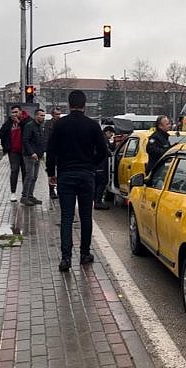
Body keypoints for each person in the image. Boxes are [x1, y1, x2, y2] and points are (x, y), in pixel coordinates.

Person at [46, 90, 109, 272]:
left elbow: (51, 151)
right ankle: (84, 254)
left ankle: (66, 258)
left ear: (68, 104)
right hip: (86, 175)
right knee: (85, 216)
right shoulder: (92, 126)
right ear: (84, 104)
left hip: (65, 175)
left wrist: (51, 172)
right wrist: (91, 164)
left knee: (66, 217)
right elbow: (103, 151)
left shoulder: (60, 125)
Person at [0, 105, 26, 202]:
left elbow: (29, 131)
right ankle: (13, 192)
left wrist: (19, 122)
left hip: (25, 151)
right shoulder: (8, 123)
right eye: (12, 112)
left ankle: (25, 193)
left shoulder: (26, 120)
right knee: (14, 170)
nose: (14, 114)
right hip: (13, 151)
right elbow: (2, 133)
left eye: (16, 112)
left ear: (20, 112)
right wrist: (6, 147)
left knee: (25, 172)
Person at [21, 109, 46, 206]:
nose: (42, 117)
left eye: (43, 116)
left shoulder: (40, 127)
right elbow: (25, 140)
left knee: (34, 177)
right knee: (29, 176)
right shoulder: (29, 126)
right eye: (41, 115)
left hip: (37, 156)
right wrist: (32, 153)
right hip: (29, 156)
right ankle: (24, 197)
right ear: (36, 116)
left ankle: (30, 196)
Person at [93, 125, 115, 210]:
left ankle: (96, 200)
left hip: (98, 164)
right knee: (102, 182)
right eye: (111, 134)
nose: (111, 136)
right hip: (100, 165)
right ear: (107, 132)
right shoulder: (103, 140)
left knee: (98, 183)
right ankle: (98, 202)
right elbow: (106, 151)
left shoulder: (101, 138)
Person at [43, 107, 62, 199]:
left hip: (60, 152)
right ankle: (51, 190)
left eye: (59, 114)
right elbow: (46, 137)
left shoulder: (62, 123)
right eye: (56, 114)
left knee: (61, 171)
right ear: (52, 115)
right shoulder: (48, 124)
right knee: (51, 172)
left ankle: (60, 190)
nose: (58, 116)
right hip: (51, 151)